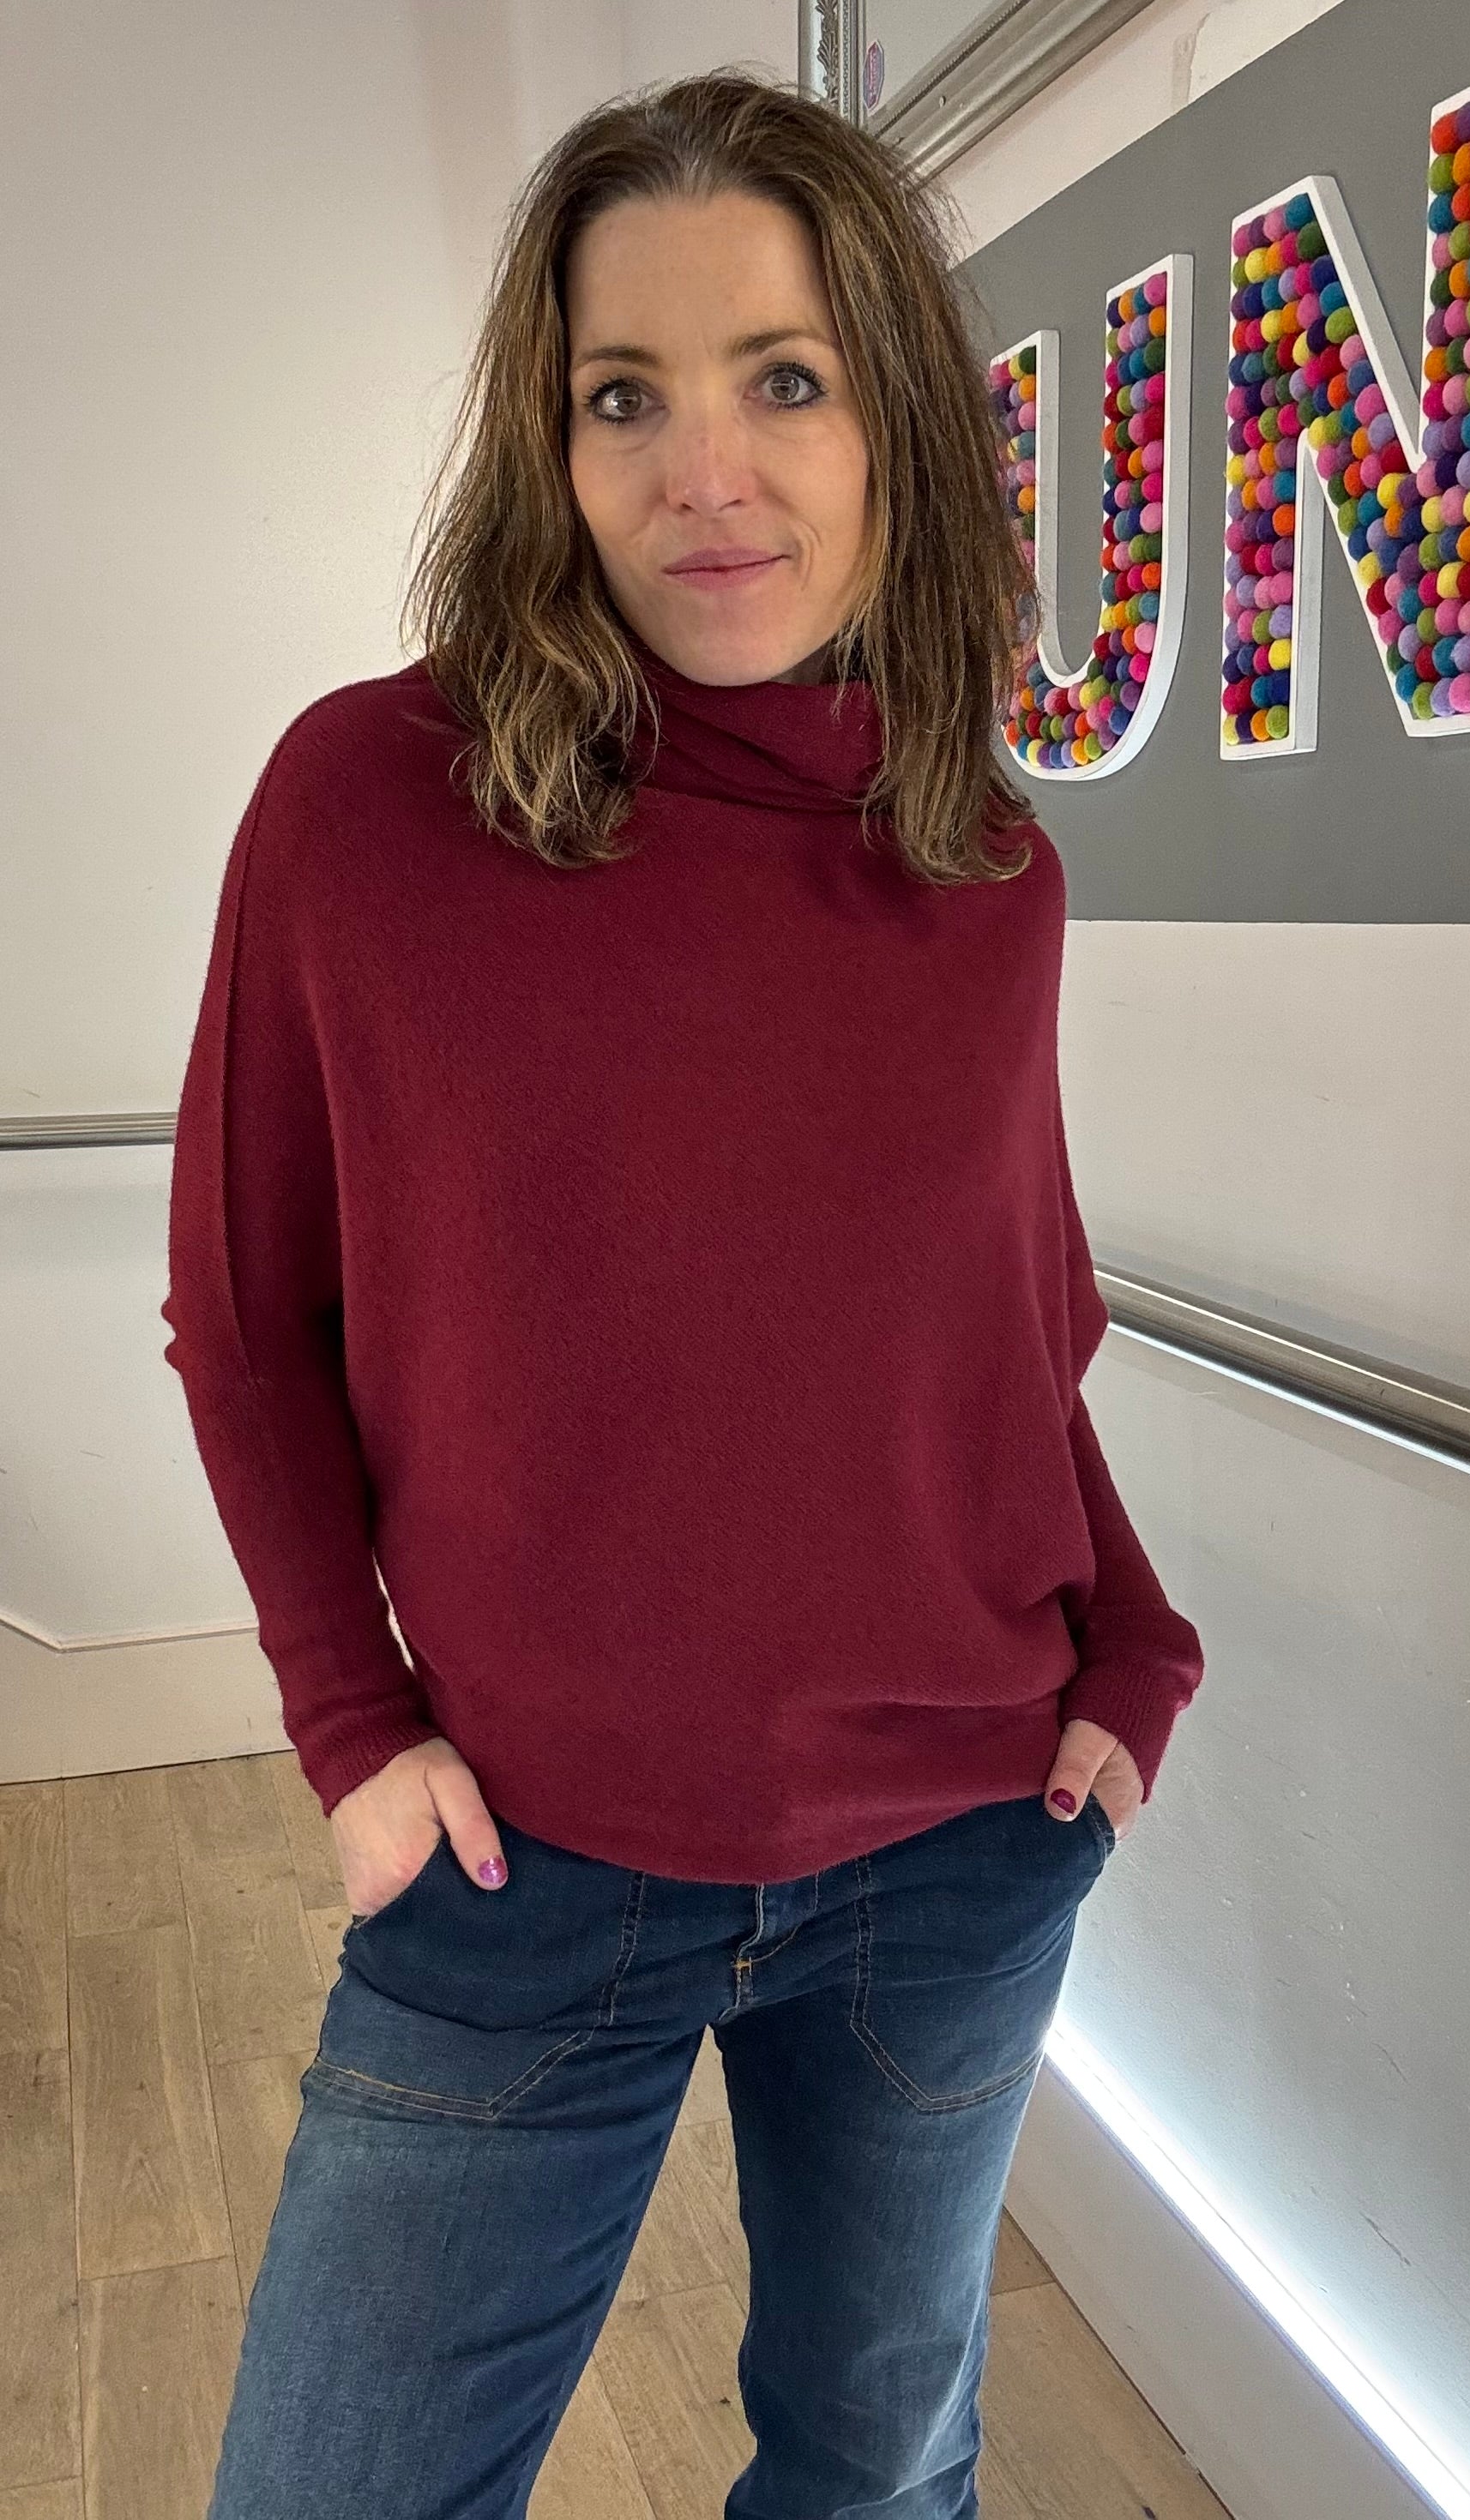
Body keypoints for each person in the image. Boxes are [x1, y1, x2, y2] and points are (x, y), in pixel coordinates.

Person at [163, 65, 1203, 2520]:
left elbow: (1005, 1332)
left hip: (956, 1842)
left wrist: (1133, 1640)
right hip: (527, 1861)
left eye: (785, 378)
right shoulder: (370, 806)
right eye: (623, 393)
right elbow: (243, 1310)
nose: (702, 472)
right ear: (549, 445)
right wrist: (352, 1726)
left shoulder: (984, 865)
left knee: (879, 2472)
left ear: (897, 427)